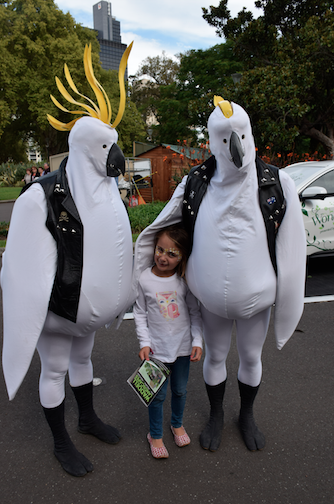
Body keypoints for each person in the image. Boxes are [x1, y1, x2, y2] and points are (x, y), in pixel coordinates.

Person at [133, 224, 203, 459]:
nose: (163, 257)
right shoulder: (144, 280)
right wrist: (144, 343)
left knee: (180, 391)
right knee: (156, 395)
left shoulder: (185, 281)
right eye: (160, 250)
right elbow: (140, 314)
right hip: (156, 350)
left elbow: (195, 313)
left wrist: (198, 341)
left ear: (182, 257)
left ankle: (177, 424)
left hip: (182, 349)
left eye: (172, 254)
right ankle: (155, 434)